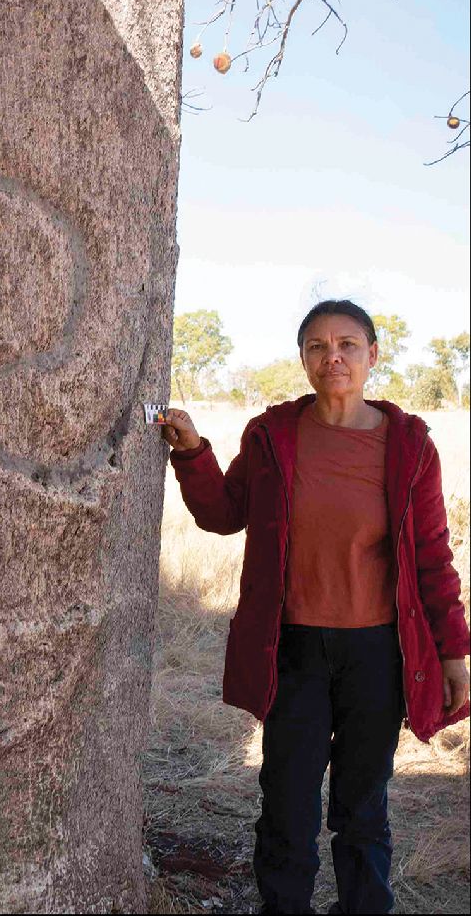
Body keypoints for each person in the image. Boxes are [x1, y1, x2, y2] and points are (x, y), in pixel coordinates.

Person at [158, 299, 470, 916]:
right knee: (287, 805)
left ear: (372, 356)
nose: (334, 358)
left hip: (376, 654)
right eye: (317, 347)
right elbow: (223, 513)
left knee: (362, 808)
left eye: (348, 345)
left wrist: (455, 650)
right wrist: (193, 451)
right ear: (302, 359)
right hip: (293, 649)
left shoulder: (409, 444)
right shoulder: (273, 435)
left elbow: (432, 556)